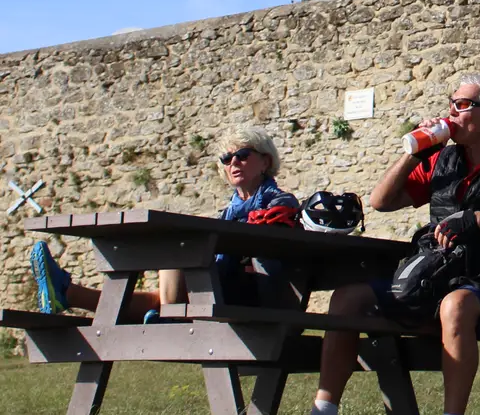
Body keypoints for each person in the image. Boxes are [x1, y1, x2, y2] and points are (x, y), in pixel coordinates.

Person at [299, 73, 480, 415]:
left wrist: (478, 220)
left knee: (456, 306)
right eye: (452, 102)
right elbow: (381, 201)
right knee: (348, 298)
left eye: (465, 104)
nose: (453, 111)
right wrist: (414, 152)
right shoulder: (441, 160)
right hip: (432, 281)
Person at [30, 126, 299, 318]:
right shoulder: (229, 210)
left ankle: (72, 294)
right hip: (224, 288)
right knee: (174, 257)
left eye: (242, 154)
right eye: (227, 159)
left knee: (177, 250)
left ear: (265, 161)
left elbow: (268, 251)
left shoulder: (279, 202)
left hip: (259, 297)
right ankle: (68, 293)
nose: (233, 163)